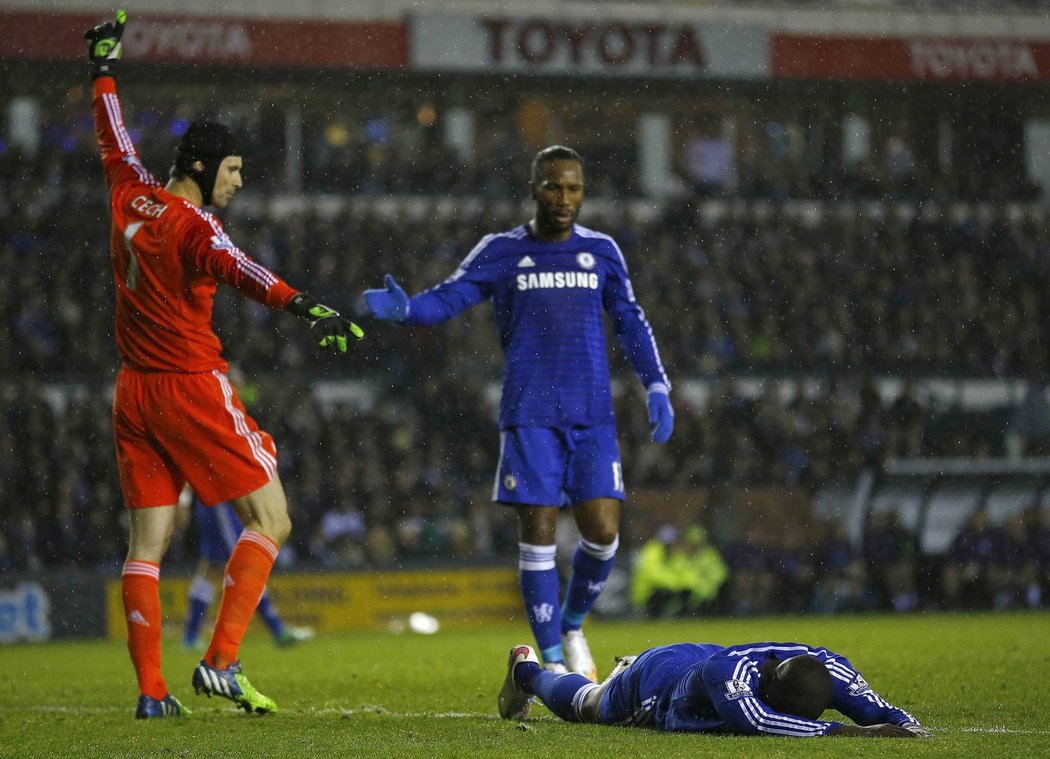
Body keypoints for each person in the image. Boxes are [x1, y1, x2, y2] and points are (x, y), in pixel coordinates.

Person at [85, 12, 363, 719]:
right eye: (234, 170)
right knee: (272, 519)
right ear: (205, 167)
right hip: (188, 385)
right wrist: (310, 307)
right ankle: (221, 660)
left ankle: (152, 693)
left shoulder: (130, 194)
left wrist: (102, 69)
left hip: (132, 390)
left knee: (146, 544)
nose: (238, 183)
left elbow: (113, 139)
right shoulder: (195, 225)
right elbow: (243, 272)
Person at [363, 145, 673, 680]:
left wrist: (657, 385)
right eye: (553, 186)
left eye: (573, 188)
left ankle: (573, 624)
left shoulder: (601, 251)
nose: (563, 198)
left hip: (592, 415)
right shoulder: (503, 250)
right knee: (541, 534)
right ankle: (552, 661)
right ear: (533, 189)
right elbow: (453, 296)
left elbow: (630, 319)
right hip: (530, 414)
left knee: (603, 531)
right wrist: (410, 308)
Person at [497, 641, 933, 739]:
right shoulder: (734, 677)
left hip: (696, 656)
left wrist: (904, 724)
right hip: (656, 684)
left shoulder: (824, 664)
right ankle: (528, 672)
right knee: (587, 704)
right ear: (768, 680)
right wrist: (849, 734)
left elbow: (874, 707)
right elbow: (757, 720)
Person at [179, 488, 315, 650]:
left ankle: (191, 636)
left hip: (219, 500)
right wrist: (184, 499)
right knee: (244, 565)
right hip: (220, 502)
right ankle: (277, 629)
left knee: (211, 569)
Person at [630, 525, 728, 618]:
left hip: (670, 591)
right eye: (668, 544)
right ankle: (653, 617)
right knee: (665, 593)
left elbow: (686, 574)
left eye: (673, 543)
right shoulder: (651, 553)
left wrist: (689, 586)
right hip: (646, 593)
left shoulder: (677, 555)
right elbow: (655, 576)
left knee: (683, 593)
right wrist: (680, 585)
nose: (671, 547)